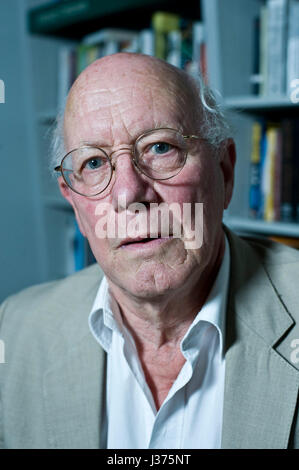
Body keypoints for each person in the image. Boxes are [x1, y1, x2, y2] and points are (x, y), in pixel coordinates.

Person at [0, 52, 299, 450]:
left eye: (160, 147)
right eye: (93, 162)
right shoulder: (15, 331)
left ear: (224, 173)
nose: (129, 195)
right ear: (74, 204)